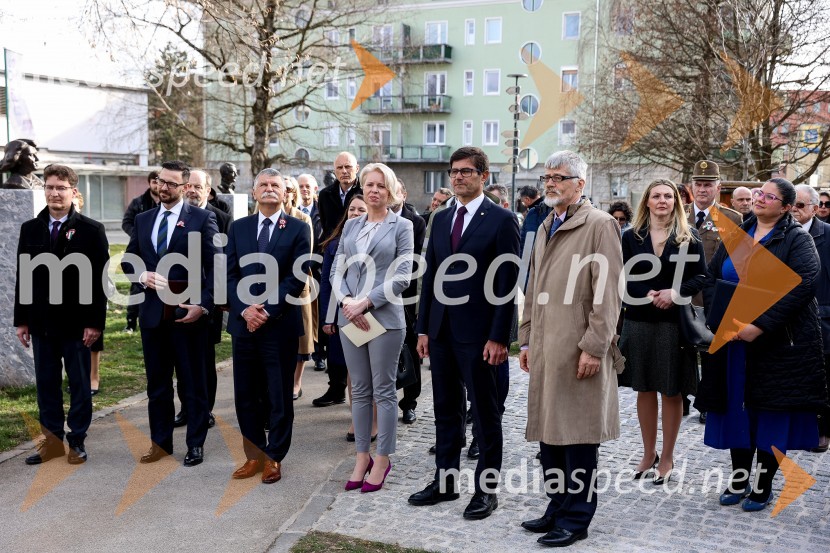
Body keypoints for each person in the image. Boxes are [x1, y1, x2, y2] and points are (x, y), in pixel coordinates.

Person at [695, 177, 825, 512]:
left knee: (769, 414)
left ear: (785, 207)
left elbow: (804, 285)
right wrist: (719, 317)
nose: (760, 199)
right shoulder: (738, 236)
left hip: (777, 344)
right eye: (758, 194)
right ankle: (739, 479)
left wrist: (760, 325)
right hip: (733, 340)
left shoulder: (796, 239)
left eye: (769, 196)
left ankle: (763, 485)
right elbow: (711, 279)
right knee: (737, 409)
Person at [517, 150, 623, 547]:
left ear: (580, 184)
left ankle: (577, 517)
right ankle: (557, 505)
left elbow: (608, 294)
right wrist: (525, 337)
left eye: (558, 177)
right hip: (546, 345)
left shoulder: (600, 225)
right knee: (550, 433)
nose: (549, 183)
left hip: (578, 347)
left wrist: (594, 347)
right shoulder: (546, 223)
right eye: (547, 177)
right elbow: (533, 287)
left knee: (578, 437)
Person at [409, 147, 520, 521]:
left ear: (483, 176)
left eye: (467, 172)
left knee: (486, 415)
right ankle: (445, 481)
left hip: (480, 335)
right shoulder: (440, 219)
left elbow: (506, 285)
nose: (458, 177)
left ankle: (486, 492)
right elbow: (432, 278)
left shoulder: (502, 220)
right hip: (440, 332)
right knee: (445, 411)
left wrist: (500, 337)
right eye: (454, 172)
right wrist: (423, 327)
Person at [122, 160, 219, 467]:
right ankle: (160, 443)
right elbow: (128, 260)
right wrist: (141, 276)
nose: (163, 187)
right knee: (158, 385)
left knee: (193, 384)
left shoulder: (203, 219)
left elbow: (216, 266)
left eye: (171, 183)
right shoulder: (143, 219)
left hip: (188, 316)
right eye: (161, 181)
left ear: (185, 187)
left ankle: (195, 444)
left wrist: (203, 305)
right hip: (152, 315)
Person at [14, 164, 109, 464]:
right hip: (41, 323)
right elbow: (23, 277)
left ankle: (77, 441)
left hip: (78, 325)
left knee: (80, 384)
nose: (55, 193)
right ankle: (52, 441)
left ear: (73, 192)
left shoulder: (92, 230)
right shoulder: (30, 228)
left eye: (61, 187)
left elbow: (100, 280)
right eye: (50, 187)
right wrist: (22, 320)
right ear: (44, 190)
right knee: (46, 384)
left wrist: (96, 323)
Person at [225, 168, 311, 484]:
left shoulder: (299, 229)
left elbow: (296, 276)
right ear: (254, 191)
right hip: (244, 325)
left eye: (275, 184)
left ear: (285, 192)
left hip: (280, 325)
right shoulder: (239, 228)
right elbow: (230, 274)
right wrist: (245, 309)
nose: (270, 189)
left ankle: (275, 456)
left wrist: (266, 309)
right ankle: (253, 455)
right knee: (245, 394)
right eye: (264, 184)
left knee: (278, 394)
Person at [619, 179, 706, 486]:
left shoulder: (688, 236)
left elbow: (702, 277)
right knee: (644, 388)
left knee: (671, 390)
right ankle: (648, 453)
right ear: (647, 201)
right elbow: (622, 274)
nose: (662, 200)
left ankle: (667, 457)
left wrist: (675, 292)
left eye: (668, 196)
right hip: (639, 320)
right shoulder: (631, 236)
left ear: (676, 202)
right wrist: (647, 295)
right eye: (656, 196)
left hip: (673, 323)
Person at [333, 163, 414, 493]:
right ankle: (361, 455)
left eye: (381, 185)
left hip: (384, 318)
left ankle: (382, 459)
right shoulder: (351, 226)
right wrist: (346, 303)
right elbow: (336, 269)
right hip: (349, 317)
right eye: (369, 184)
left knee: (384, 391)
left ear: (390, 190)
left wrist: (364, 302)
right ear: (361, 189)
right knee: (360, 391)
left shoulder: (402, 226)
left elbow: (403, 277)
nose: (374, 190)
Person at [687, 160, 743, 424]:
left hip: (713, 298)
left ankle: (707, 402)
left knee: (710, 353)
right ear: (691, 187)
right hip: (683, 294)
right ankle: (681, 396)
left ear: (718, 188)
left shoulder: (732, 219)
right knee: (682, 349)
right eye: (698, 184)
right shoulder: (679, 214)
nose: (702, 189)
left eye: (708, 185)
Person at [179, 168, 231, 428]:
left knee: (204, 360)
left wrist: (214, 300)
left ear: (208, 191)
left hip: (208, 300)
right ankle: (185, 407)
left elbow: (223, 262)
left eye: (197, 187)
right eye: (188, 185)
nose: (191, 190)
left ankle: (205, 408)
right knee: (181, 359)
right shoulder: (174, 215)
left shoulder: (221, 218)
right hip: (176, 297)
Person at [319, 195, 373, 439]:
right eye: (351, 209)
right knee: (354, 368)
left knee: (374, 370)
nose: (355, 213)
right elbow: (328, 283)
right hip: (345, 313)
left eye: (361, 209)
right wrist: (328, 318)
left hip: (374, 311)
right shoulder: (334, 244)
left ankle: (374, 420)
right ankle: (357, 419)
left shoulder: (380, 238)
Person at [789, 184, 830, 453]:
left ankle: (823, 429)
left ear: (815, 209)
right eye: (791, 203)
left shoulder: (827, 235)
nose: (794, 209)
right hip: (784, 318)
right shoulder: (780, 233)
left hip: (820, 317)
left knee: (822, 376)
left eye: (801, 205)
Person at [392, 179, 426, 425]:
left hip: (407, 298)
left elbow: (414, 263)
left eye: (396, 190)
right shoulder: (375, 218)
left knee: (410, 351)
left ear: (403, 193)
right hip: (377, 299)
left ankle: (409, 403)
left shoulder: (416, 222)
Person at [282, 176, 317, 400]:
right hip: (268, 284)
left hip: (298, 282)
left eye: (287, 188)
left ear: (293, 193)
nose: (283, 192)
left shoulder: (303, 218)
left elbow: (306, 254)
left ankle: (296, 382)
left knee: (299, 340)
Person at [71, 190, 105, 396]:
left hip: (91, 291)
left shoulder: (91, 229)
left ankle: (94, 376)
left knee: (93, 341)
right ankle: (76, 377)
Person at [121, 170, 160, 333]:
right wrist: (138, 235)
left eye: (160, 181)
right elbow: (127, 222)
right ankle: (131, 322)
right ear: (149, 183)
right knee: (137, 286)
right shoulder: (139, 202)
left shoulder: (166, 202)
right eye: (154, 182)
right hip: (141, 251)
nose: (158, 185)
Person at [318, 152, 362, 240]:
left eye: (348, 167)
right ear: (335, 171)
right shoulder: (325, 195)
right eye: (339, 167)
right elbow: (325, 225)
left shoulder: (364, 193)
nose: (344, 171)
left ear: (357, 168)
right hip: (331, 248)